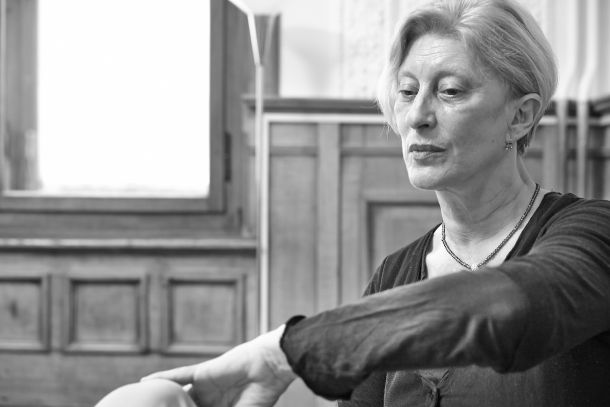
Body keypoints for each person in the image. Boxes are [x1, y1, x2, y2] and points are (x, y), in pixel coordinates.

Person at [96, 0, 610, 406]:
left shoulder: (591, 233)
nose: (417, 116)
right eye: (407, 92)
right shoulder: (396, 273)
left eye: (450, 91)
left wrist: (286, 351)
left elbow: (510, 308)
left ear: (520, 117)